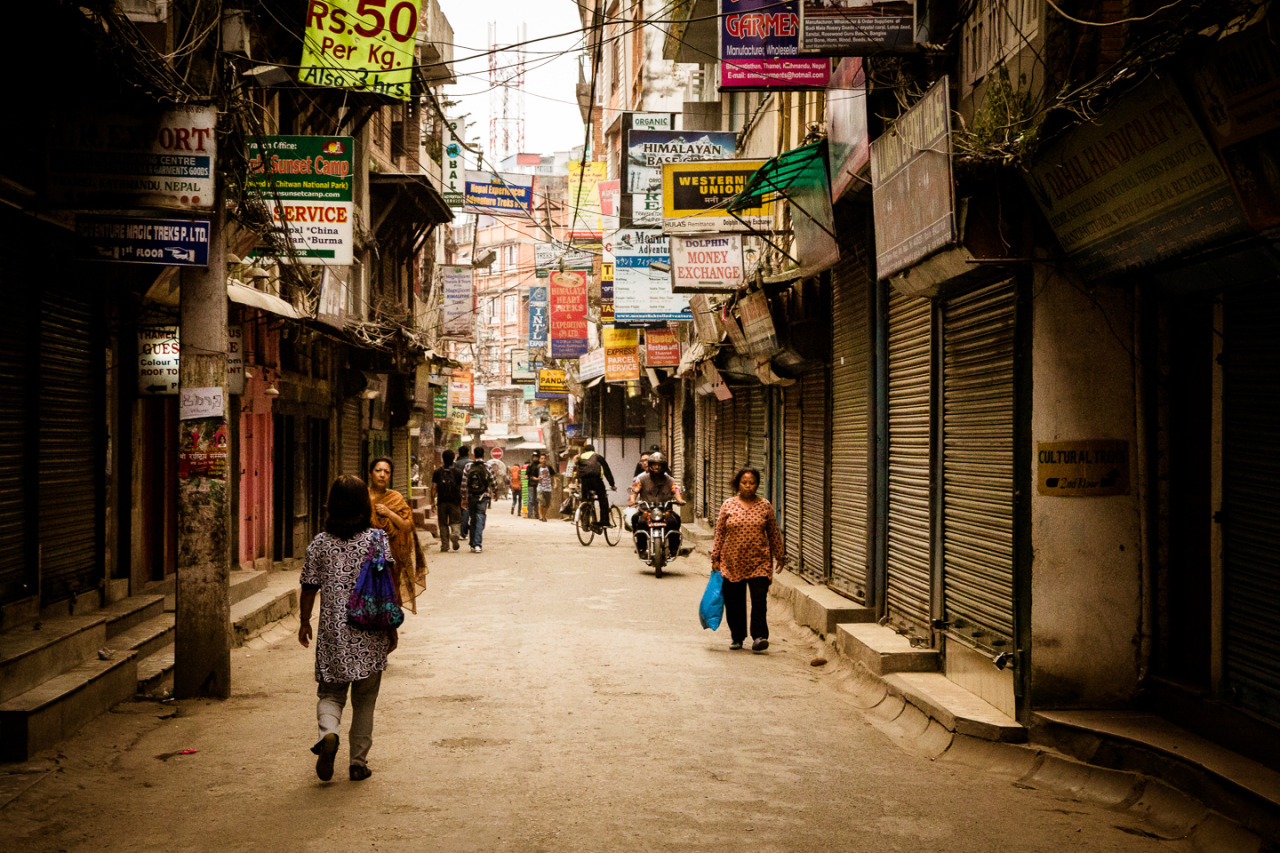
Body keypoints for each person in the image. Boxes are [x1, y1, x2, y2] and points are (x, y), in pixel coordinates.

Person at [298, 475, 397, 782]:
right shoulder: (377, 539)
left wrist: (304, 621)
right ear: (364, 504)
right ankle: (358, 763)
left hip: (333, 632)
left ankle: (328, 733)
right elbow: (387, 583)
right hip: (369, 625)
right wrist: (392, 626)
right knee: (365, 700)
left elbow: (308, 587)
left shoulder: (319, 543)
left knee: (331, 693)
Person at [711, 468, 786, 652]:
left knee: (759, 600)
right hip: (732, 561)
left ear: (757, 485)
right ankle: (737, 637)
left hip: (759, 561)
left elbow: (773, 533)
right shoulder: (728, 505)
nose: (748, 486)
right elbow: (720, 532)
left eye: (752, 483)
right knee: (734, 601)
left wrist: (780, 555)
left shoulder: (765, 506)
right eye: (744, 483)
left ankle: (759, 636)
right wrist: (715, 557)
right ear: (738, 484)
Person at [367, 457, 426, 613]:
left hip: (391, 557)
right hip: (365, 557)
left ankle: (389, 631)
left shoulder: (396, 498)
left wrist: (389, 513)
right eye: (378, 471)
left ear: (390, 476)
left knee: (391, 595)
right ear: (370, 474)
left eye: (387, 472)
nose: (382, 475)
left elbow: (407, 526)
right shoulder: (361, 497)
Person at [629, 451, 684, 553]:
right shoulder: (641, 478)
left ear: (664, 466)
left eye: (659, 465)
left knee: (675, 521)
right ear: (650, 466)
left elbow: (676, 490)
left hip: (665, 512)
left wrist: (679, 499)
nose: (656, 467)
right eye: (654, 464)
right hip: (647, 511)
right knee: (638, 521)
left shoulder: (670, 480)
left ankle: (674, 548)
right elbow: (635, 490)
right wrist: (632, 500)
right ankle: (640, 547)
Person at [575, 444, 616, 529]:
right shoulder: (597, 456)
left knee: (586, 500)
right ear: (593, 450)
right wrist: (612, 484)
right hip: (596, 481)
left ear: (585, 451)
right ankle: (604, 521)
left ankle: (585, 522)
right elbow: (606, 470)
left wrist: (579, 483)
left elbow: (578, 471)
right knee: (603, 499)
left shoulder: (580, 458)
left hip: (585, 483)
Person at [431, 449, 463, 552]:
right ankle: (455, 534)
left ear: (442, 459)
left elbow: (434, 487)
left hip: (442, 502)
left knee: (443, 524)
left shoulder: (437, 472)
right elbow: (462, 487)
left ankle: (445, 545)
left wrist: (432, 501)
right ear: (453, 458)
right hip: (455, 501)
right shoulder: (458, 472)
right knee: (456, 521)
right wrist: (463, 499)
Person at [463, 445, 491, 552]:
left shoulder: (468, 466)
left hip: (471, 496)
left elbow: (464, 483)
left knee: (473, 519)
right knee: (480, 518)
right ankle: (477, 544)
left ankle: (472, 543)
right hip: (483, 496)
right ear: (483, 455)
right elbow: (493, 481)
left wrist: (463, 497)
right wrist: (495, 492)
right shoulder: (487, 466)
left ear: (473, 455)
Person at [455, 445, 471, 539]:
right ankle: (463, 532)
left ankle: (461, 531)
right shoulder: (471, 463)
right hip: (469, 490)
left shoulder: (456, 463)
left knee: (460, 511)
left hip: (457, 490)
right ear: (468, 453)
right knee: (466, 511)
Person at [536, 452, 554, 522]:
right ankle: (540, 516)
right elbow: (533, 476)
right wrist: (536, 479)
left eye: (544, 458)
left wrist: (555, 483)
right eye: (542, 458)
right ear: (540, 460)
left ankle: (544, 515)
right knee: (541, 501)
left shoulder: (549, 467)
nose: (543, 460)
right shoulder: (537, 467)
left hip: (548, 487)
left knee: (547, 504)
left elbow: (553, 475)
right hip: (540, 487)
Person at [525, 453, 544, 520]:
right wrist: (528, 477)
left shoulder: (541, 466)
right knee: (530, 500)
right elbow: (526, 475)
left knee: (537, 500)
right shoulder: (530, 466)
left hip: (538, 485)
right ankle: (529, 514)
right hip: (531, 484)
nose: (535, 458)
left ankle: (536, 514)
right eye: (534, 457)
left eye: (536, 457)